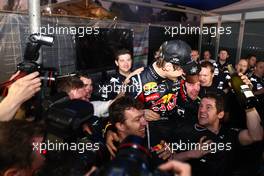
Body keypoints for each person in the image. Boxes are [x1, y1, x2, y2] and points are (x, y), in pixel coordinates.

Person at [170, 93, 263, 176]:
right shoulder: (187, 131)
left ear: (220, 114)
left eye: (208, 107)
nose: (202, 110)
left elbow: (256, 136)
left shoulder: (230, 133)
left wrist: (249, 107)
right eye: (201, 106)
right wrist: (190, 154)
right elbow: (168, 160)